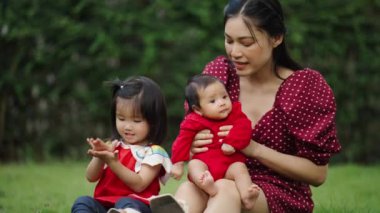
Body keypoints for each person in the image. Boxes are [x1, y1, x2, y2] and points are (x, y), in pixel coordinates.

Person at [171, 0, 342, 212]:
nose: (234, 52)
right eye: (229, 40)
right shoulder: (219, 77)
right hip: (217, 174)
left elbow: (318, 174)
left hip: (276, 190)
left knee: (225, 188)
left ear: (276, 38)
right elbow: (189, 137)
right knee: (189, 190)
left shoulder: (302, 88)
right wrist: (192, 147)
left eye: (246, 42)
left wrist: (254, 149)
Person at [71, 76, 172, 213]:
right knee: (83, 202)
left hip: (138, 205)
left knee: (126, 202)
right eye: (121, 118)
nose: (127, 126)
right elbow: (91, 177)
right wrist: (100, 157)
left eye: (136, 120)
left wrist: (113, 162)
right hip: (105, 205)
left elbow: (139, 184)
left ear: (154, 121)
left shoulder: (154, 152)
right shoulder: (113, 145)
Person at [170, 74, 260, 210]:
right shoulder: (193, 121)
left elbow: (245, 127)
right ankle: (206, 184)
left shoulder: (235, 114)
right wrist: (178, 163)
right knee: (194, 164)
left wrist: (232, 142)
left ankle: (247, 195)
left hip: (229, 164)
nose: (222, 102)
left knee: (240, 168)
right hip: (206, 165)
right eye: (213, 101)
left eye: (224, 97)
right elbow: (182, 141)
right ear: (198, 110)